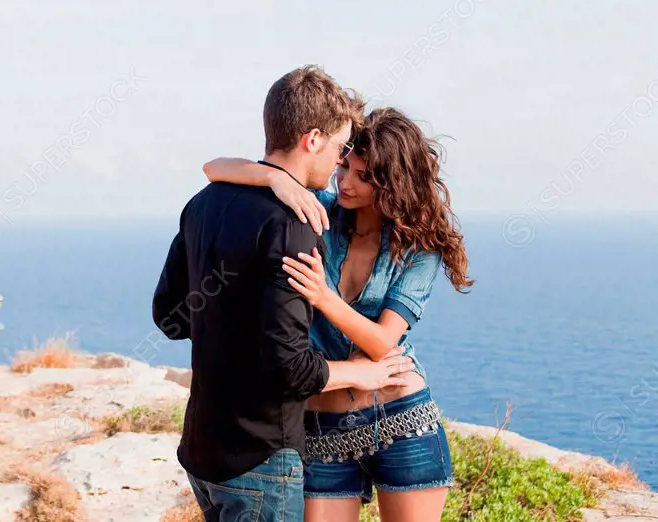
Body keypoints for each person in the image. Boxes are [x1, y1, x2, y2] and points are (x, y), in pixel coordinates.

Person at [153, 66, 417, 522]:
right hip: (260, 459)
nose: (340, 162)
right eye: (339, 148)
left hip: (203, 450)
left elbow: (170, 318)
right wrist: (362, 374)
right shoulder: (295, 223)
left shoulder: (204, 202)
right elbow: (290, 368)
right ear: (312, 139)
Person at [203, 106, 474, 522]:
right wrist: (274, 178)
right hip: (321, 424)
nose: (345, 181)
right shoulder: (317, 211)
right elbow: (214, 168)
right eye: (345, 166)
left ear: (393, 184)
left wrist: (325, 298)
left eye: (363, 176)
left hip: (402, 418)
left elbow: (384, 342)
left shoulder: (420, 250)